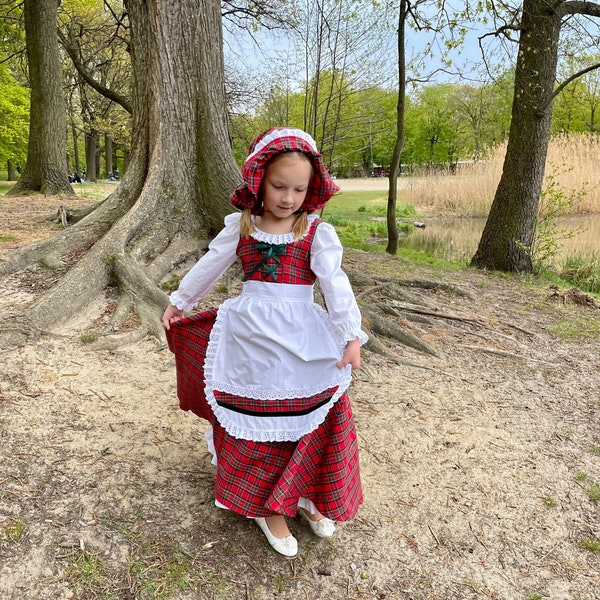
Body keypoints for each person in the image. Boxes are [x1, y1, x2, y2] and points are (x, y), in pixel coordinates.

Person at [162, 127, 367, 558]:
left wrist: (351, 335)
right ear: (259, 181)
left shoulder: (313, 231)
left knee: (314, 408)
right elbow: (210, 265)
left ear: (311, 190)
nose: (288, 198)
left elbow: (335, 284)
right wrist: (180, 301)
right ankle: (264, 505)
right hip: (250, 337)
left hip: (303, 336)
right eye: (278, 186)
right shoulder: (242, 226)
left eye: (298, 188)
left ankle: (308, 495)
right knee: (255, 411)